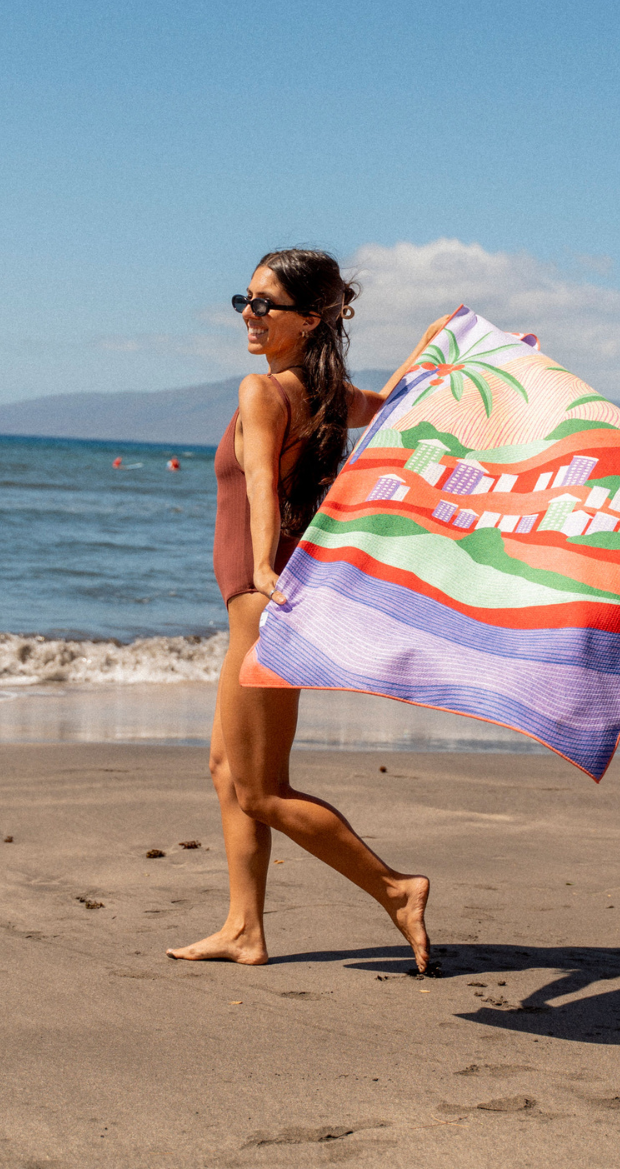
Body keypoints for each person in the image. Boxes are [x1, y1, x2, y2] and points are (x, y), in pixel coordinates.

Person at [167, 248, 448, 972]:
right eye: (246, 301)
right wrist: (432, 351)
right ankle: (243, 928)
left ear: (310, 319)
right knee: (228, 771)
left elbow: (261, 483)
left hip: (261, 607)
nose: (250, 317)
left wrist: (261, 565)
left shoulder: (262, 395)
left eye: (266, 305)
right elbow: (394, 407)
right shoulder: (326, 398)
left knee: (261, 789)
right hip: (271, 604)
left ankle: (395, 887)